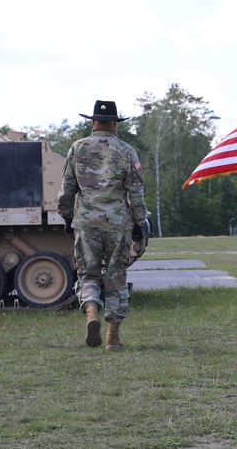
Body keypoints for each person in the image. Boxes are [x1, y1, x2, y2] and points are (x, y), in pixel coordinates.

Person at [58, 100, 148, 350]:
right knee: (116, 276)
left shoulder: (77, 148)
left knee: (88, 274)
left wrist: (66, 217)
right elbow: (136, 191)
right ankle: (113, 338)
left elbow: (67, 189)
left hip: (86, 223)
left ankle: (91, 313)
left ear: (93, 122)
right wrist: (139, 223)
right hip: (118, 225)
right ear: (115, 124)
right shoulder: (126, 150)